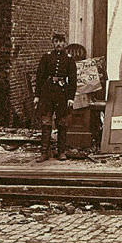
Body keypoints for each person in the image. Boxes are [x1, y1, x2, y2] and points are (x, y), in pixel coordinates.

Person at [34, 32, 77, 160]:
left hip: (62, 94)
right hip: (47, 93)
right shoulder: (46, 57)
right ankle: (44, 152)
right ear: (53, 43)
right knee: (46, 122)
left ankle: (61, 151)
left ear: (65, 43)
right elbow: (40, 77)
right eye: (56, 41)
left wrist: (70, 98)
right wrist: (37, 95)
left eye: (61, 42)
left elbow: (73, 80)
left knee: (62, 123)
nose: (58, 44)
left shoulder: (69, 59)